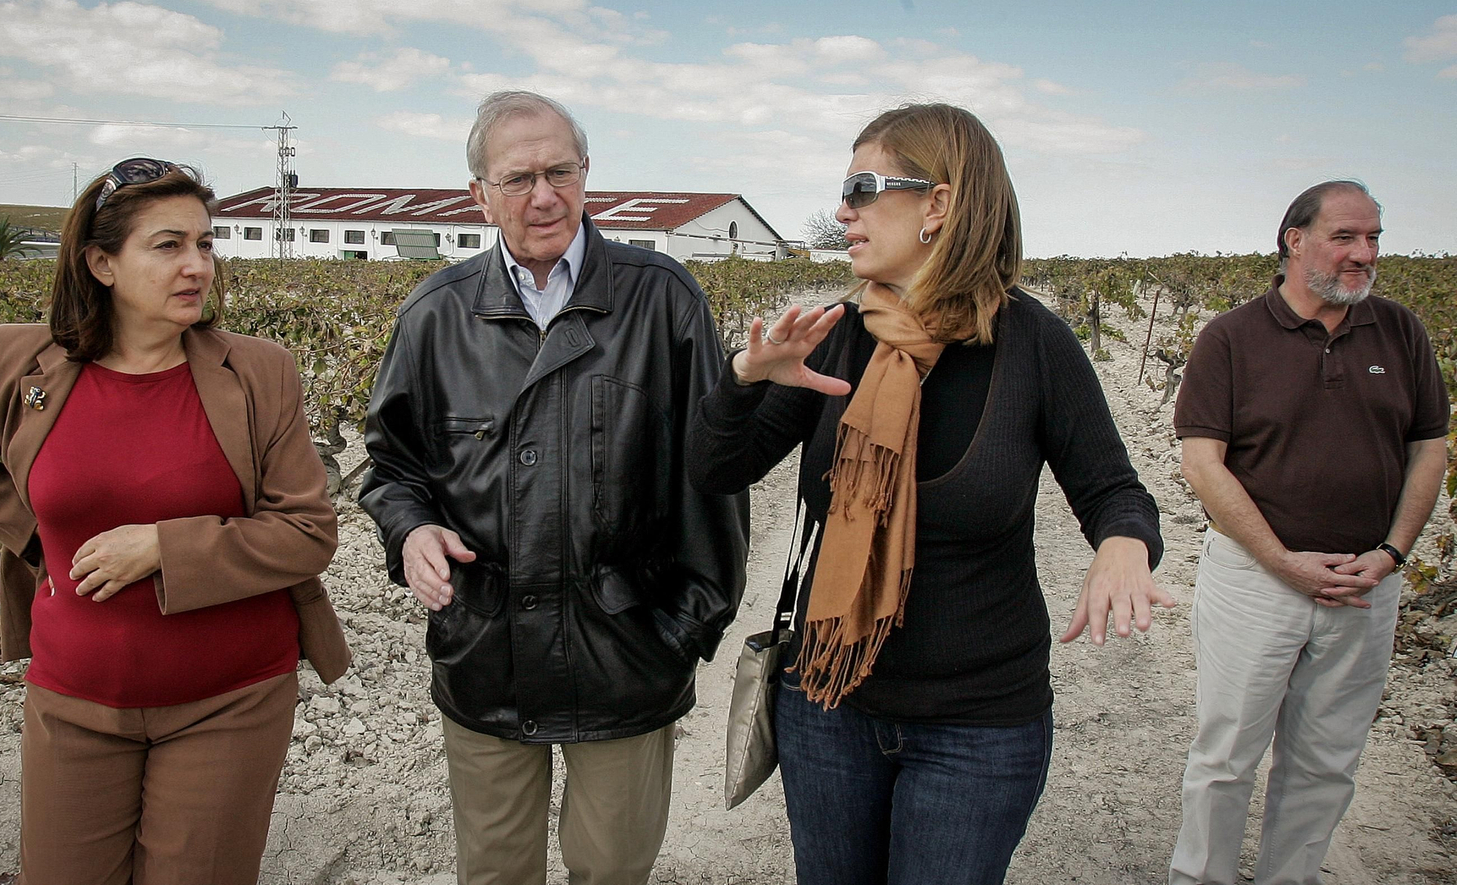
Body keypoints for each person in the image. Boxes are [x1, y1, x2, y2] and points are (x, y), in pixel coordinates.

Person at [686, 102, 1174, 885]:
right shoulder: (838, 332)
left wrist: (1123, 544)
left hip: (979, 725)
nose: (842, 209)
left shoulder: (1033, 345)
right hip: (828, 702)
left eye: (863, 186)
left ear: (939, 204)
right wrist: (744, 382)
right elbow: (716, 468)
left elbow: (1114, 487)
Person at [0, 158, 351, 885]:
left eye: (206, 245)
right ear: (102, 262)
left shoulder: (259, 372)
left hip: (230, 701)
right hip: (72, 699)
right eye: (168, 245)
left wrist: (163, 547)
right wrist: (36, 536)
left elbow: (307, 531)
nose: (197, 266)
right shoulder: (19, 364)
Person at [358, 91, 749, 885]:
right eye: (518, 178)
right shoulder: (435, 315)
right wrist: (411, 532)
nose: (543, 195)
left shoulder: (662, 298)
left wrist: (683, 632)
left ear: (586, 173)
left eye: (560, 171)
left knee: (611, 870)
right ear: (479, 194)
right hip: (485, 654)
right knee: (495, 871)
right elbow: (391, 466)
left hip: (627, 655)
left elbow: (712, 479)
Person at [1169, 181, 1449, 885]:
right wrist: (1281, 560)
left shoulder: (1401, 330)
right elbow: (1202, 464)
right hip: (1254, 582)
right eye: (1346, 237)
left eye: (1374, 238)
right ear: (1294, 239)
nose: (1365, 254)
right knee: (1227, 754)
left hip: (1363, 586)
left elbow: (1428, 448)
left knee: (1326, 762)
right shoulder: (1230, 338)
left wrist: (1390, 555)